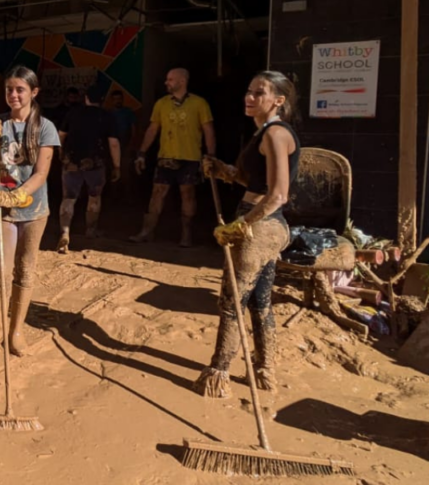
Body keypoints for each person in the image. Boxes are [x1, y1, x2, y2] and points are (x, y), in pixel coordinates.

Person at [195, 71, 300, 398]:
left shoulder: (275, 134)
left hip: (260, 226)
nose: (250, 97)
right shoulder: (265, 133)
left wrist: (243, 225)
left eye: (260, 93)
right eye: (249, 91)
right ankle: (265, 370)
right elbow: (253, 181)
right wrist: (224, 170)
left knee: (231, 302)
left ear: (278, 101)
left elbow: (278, 194)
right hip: (267, 225)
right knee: (259, 300)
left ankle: (218, 374)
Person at [0, 66, 60, 357]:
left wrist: (15, 196)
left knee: (25, 272)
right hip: (2, 211)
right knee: (0, 273)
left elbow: (41, 173)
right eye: (9, 89)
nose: (13, 94)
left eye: (20, 89)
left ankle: (17, 331)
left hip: (35, 210)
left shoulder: (44, 127)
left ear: (33, 93)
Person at [130, 68, 215, 247]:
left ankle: (186, 234)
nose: (166, 83)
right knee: (157, 193)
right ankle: (147, 231)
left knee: (188, 195)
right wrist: (142, 152)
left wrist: (211, 156)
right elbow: (153, 129)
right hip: (165, 157)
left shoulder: (199, 103)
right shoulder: (162, 103)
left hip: (190, 158)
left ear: (182, 81)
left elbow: (208, 130)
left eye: (170, 79)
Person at [57, 84, 120, 252]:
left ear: (86, 98)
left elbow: (61, 135)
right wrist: (117, 166)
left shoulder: (73, 113)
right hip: (95, 163)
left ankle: (64, 232)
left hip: (71, 162)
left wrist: (61, 154)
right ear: (102, 100)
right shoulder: (107, 116)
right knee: (94, 197)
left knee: (68, 198)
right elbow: (113, 144)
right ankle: (91, 230)